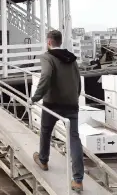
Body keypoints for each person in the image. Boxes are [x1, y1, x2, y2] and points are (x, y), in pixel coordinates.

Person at [28, 29, 85, 193]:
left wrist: (35, 98)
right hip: (72, 104)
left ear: (49, 42)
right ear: (60, 42)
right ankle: (78, 180)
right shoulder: (72, 58)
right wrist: (75, 97)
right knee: (74, 139)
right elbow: (78, 79)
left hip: (53, 103)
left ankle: (43, 160)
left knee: (45, 131)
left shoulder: (47, 57)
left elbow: (45, 76)